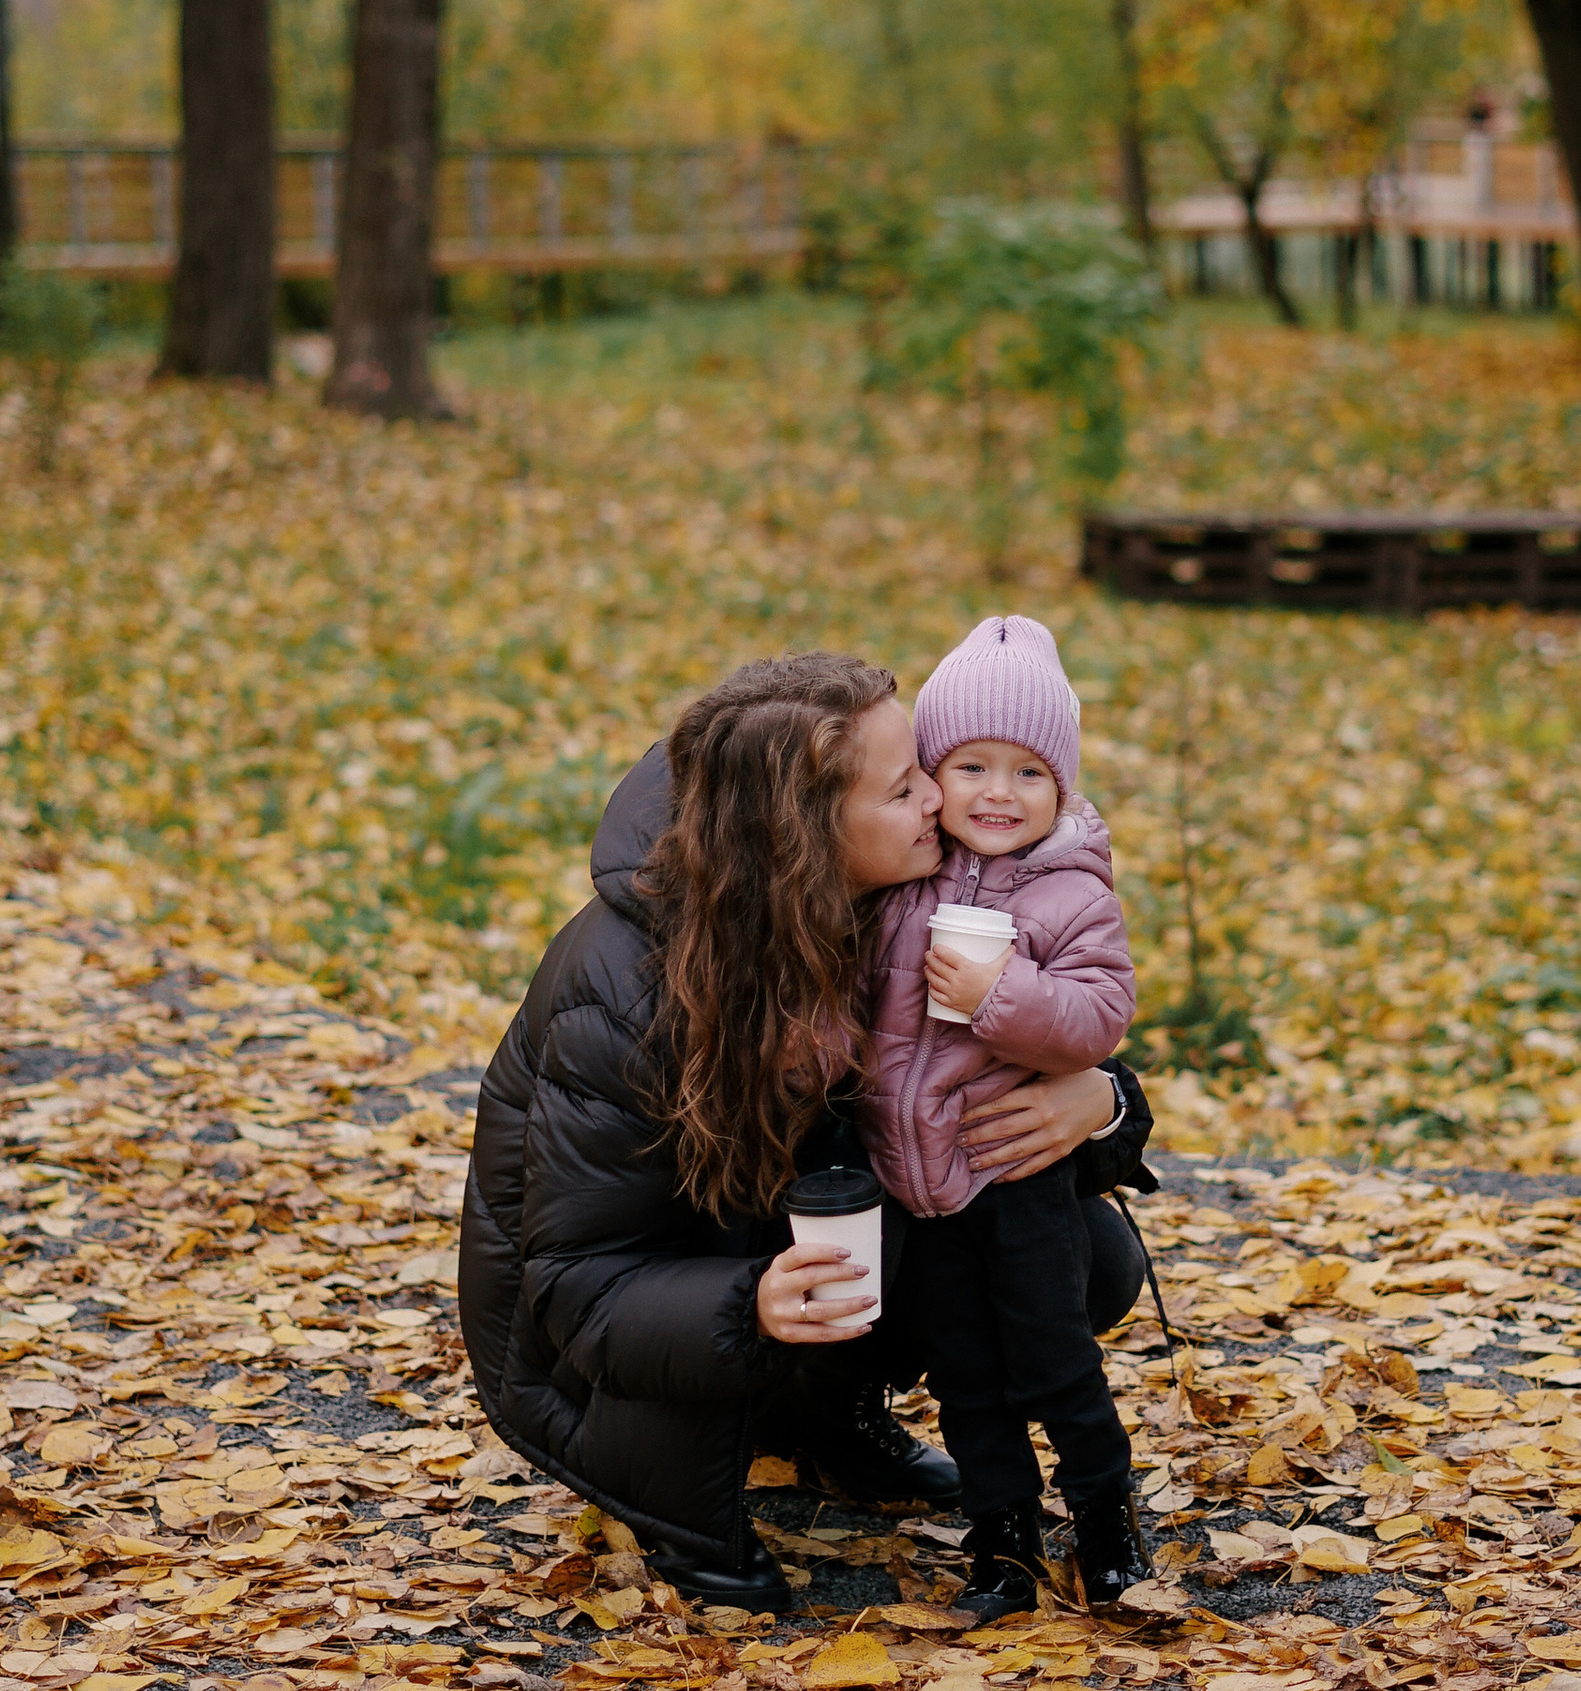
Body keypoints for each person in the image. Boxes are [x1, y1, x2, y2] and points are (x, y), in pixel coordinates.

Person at [457, 651, 1155, 1611]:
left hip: (771, 1238)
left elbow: (1009, 1043)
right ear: (806, 830)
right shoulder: (625, 994)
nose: (938, 801)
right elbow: (578, 1290)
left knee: (1086, 1257)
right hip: (601, 1336)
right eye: (907, 785)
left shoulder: (889, 896)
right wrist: (754, 1304)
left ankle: (830, 1419)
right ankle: (689, 1514)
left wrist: (1105, 1102)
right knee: (809, 1289)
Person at [860, 614, 1144, 1620]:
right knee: (969, 1384)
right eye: (971, 766)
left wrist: (997, 993)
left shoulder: (1071, 894)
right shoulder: (904, 878)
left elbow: (1099, 1016)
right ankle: (1001, 1544)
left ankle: (1105, 1516)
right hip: (920, 1187)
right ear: (933, 774)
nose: (997, 793)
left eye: (1028, 773)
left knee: (1053, 1365)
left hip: (1015, 1181)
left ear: (1062, 785)